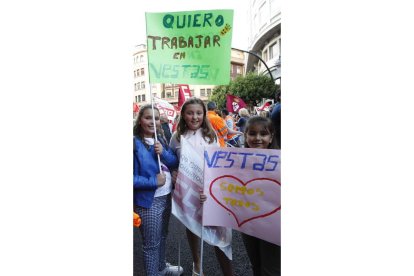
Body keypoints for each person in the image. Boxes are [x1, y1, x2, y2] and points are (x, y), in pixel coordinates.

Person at [169, 98, 234, 276]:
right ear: (183, 114)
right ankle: (197, 264)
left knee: (220, 229)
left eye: (199, 113)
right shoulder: (177, 136)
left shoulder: (211, 134)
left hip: (211, 190)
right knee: (192, 226)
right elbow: (171, 160)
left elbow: (219, 162)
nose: (195, 117)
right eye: (190, 113)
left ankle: (228, 272)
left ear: (204, 114)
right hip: (190, 190)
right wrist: (173, 171)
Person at [133, 104, 183, 276]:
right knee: (151, 245)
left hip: (165, 196)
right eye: (148, 117)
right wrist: (152, 181)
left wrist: (164, 152)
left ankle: (161, 268)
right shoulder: (133, 143)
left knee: (162, 235)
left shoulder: (159, 139)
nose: (152, 121)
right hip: (148, 201)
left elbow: (173, 162)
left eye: (155, 118)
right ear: (140, 120)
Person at [241, 116, 280, 276]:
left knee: (271, 269)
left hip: (274, 223)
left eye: (263, 134)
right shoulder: (235, 161)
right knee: (255, 264)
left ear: (271, 137)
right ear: (246, 136)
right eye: (252, 133)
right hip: (248, 221)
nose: (257, 138)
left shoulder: (281, 161)